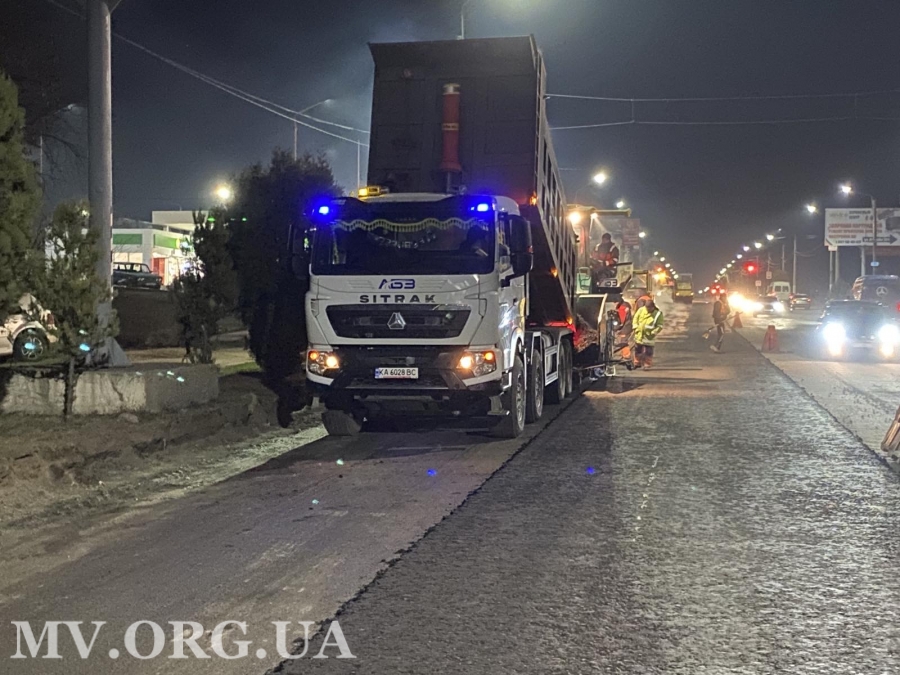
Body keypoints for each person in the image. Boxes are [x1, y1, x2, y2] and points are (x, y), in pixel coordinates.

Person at [632, 297, 664, 370]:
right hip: (639, 334)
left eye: (649, 308)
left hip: (649, 336)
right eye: (646, 308)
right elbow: (635, 319)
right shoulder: (641, 310)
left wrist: (654, 332)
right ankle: (637, 363)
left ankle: (647, 364)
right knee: (638, 350)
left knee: (648, 351)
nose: (648, 309)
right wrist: (635, 327)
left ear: (653, 307)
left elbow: (660, 325)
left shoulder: (658, 314)